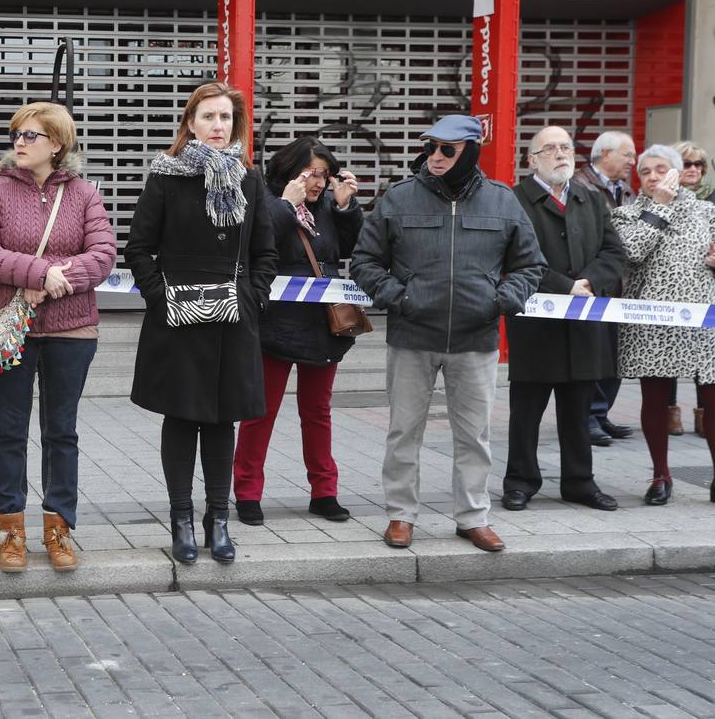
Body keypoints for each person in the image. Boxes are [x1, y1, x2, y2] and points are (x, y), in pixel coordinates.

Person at [350, 114, 545, 553]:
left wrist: (500, 301)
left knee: (474, 435)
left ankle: (473, 517)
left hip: (476, 340)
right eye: (431, 147)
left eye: (447, 150)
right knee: (403, 431)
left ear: (470, 152)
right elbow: (364, 261)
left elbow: (530, 265)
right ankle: (401, 515)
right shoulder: (399, 198)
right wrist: (401, 297)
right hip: (412, 336)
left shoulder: (502, 201)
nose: (435, 157)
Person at [125, 81, 277, 566]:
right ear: (190, 123)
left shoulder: (250, 180)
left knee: (221, 419)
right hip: (176, 320)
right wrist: (160, 298)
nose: (218, 126)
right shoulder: (166, 178)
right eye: (208, 117)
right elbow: (139, 249)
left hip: (233, 321)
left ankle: (219, 519)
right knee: (181, 417)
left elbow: (265, 253)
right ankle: (181, 519)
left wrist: (250, 300)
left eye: (225, 118)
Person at [0, 102, 116, 573]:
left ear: (57, 143)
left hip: (72, 329)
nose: (19, 142)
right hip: (10, 328)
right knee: (8, 431)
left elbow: (104, 254)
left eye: (31, 136)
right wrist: (40, 271)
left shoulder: (85, 194)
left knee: (61, 433)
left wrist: (56, 279)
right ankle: (10, 530)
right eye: (16, 134)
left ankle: (59, 529)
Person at [232, 136, 362, 526]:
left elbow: (351, 248)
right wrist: (287, 205)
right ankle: (247, 491)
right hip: (274, 325)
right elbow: (258, 243)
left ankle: (324, 491)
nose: (318, 182)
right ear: (290, 171)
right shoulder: (267, 200)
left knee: (318, 411)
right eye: (311, 173)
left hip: (323, 327)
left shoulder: (327, 207)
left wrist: (346, 208)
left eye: (324, 174)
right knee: (261, 412)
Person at [501, 127, 625, 513]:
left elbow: (613, 252)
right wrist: (564, 286)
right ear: (532, 159)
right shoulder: (514, 200)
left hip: (584, 325)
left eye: (566, 147)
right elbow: (512, 258)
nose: (560, 154)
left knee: (578, 413)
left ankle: (579, 482)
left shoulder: (590, 198)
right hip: (537, 328)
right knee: (527, 414)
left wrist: (588, 281)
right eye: (550, 148)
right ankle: (520, 481)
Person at [611, 144, 715, 506]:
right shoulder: (627, 214)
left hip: (704, 322)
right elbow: (632, 252)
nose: (653, 177)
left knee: (713, 398)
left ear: (675, 172)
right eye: (645, 172)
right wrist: (660, 206)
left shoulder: (706, 211)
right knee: (654, 398)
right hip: (651, 322)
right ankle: (661, 476)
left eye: (661, 169)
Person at [572, 130, 639, 444]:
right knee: (592, 354)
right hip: (592, 283)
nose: (632, 161)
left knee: (614, 356)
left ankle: (601, 414)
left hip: (619, 286)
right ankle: (586, 418)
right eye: (628, 154)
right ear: (606, 153)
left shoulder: (625, 190)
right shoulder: (580, 185)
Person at [673, 140, 715, 437]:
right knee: (669, 353)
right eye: (687, 164)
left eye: (699, 164)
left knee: (705, 355)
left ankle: (704, 416)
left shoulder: (712, 199)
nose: (694, 170)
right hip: (672, 288)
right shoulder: (662, 197)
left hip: (706, 286)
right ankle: (669, 413)